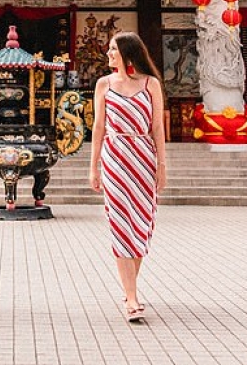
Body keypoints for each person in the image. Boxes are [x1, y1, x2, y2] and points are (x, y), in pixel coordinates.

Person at [89, 31, 167, 323]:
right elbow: (98, 128)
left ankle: (129, 287)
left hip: (144, 157)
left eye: (113, 49)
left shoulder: (150, 84)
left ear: (128, 52)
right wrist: (93, 167)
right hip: (115, 156)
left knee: (141, 223)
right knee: (121, 224)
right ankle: (132, 297)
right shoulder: (103, 85)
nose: (109, 54)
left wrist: (162, 165)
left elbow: (157, 127)